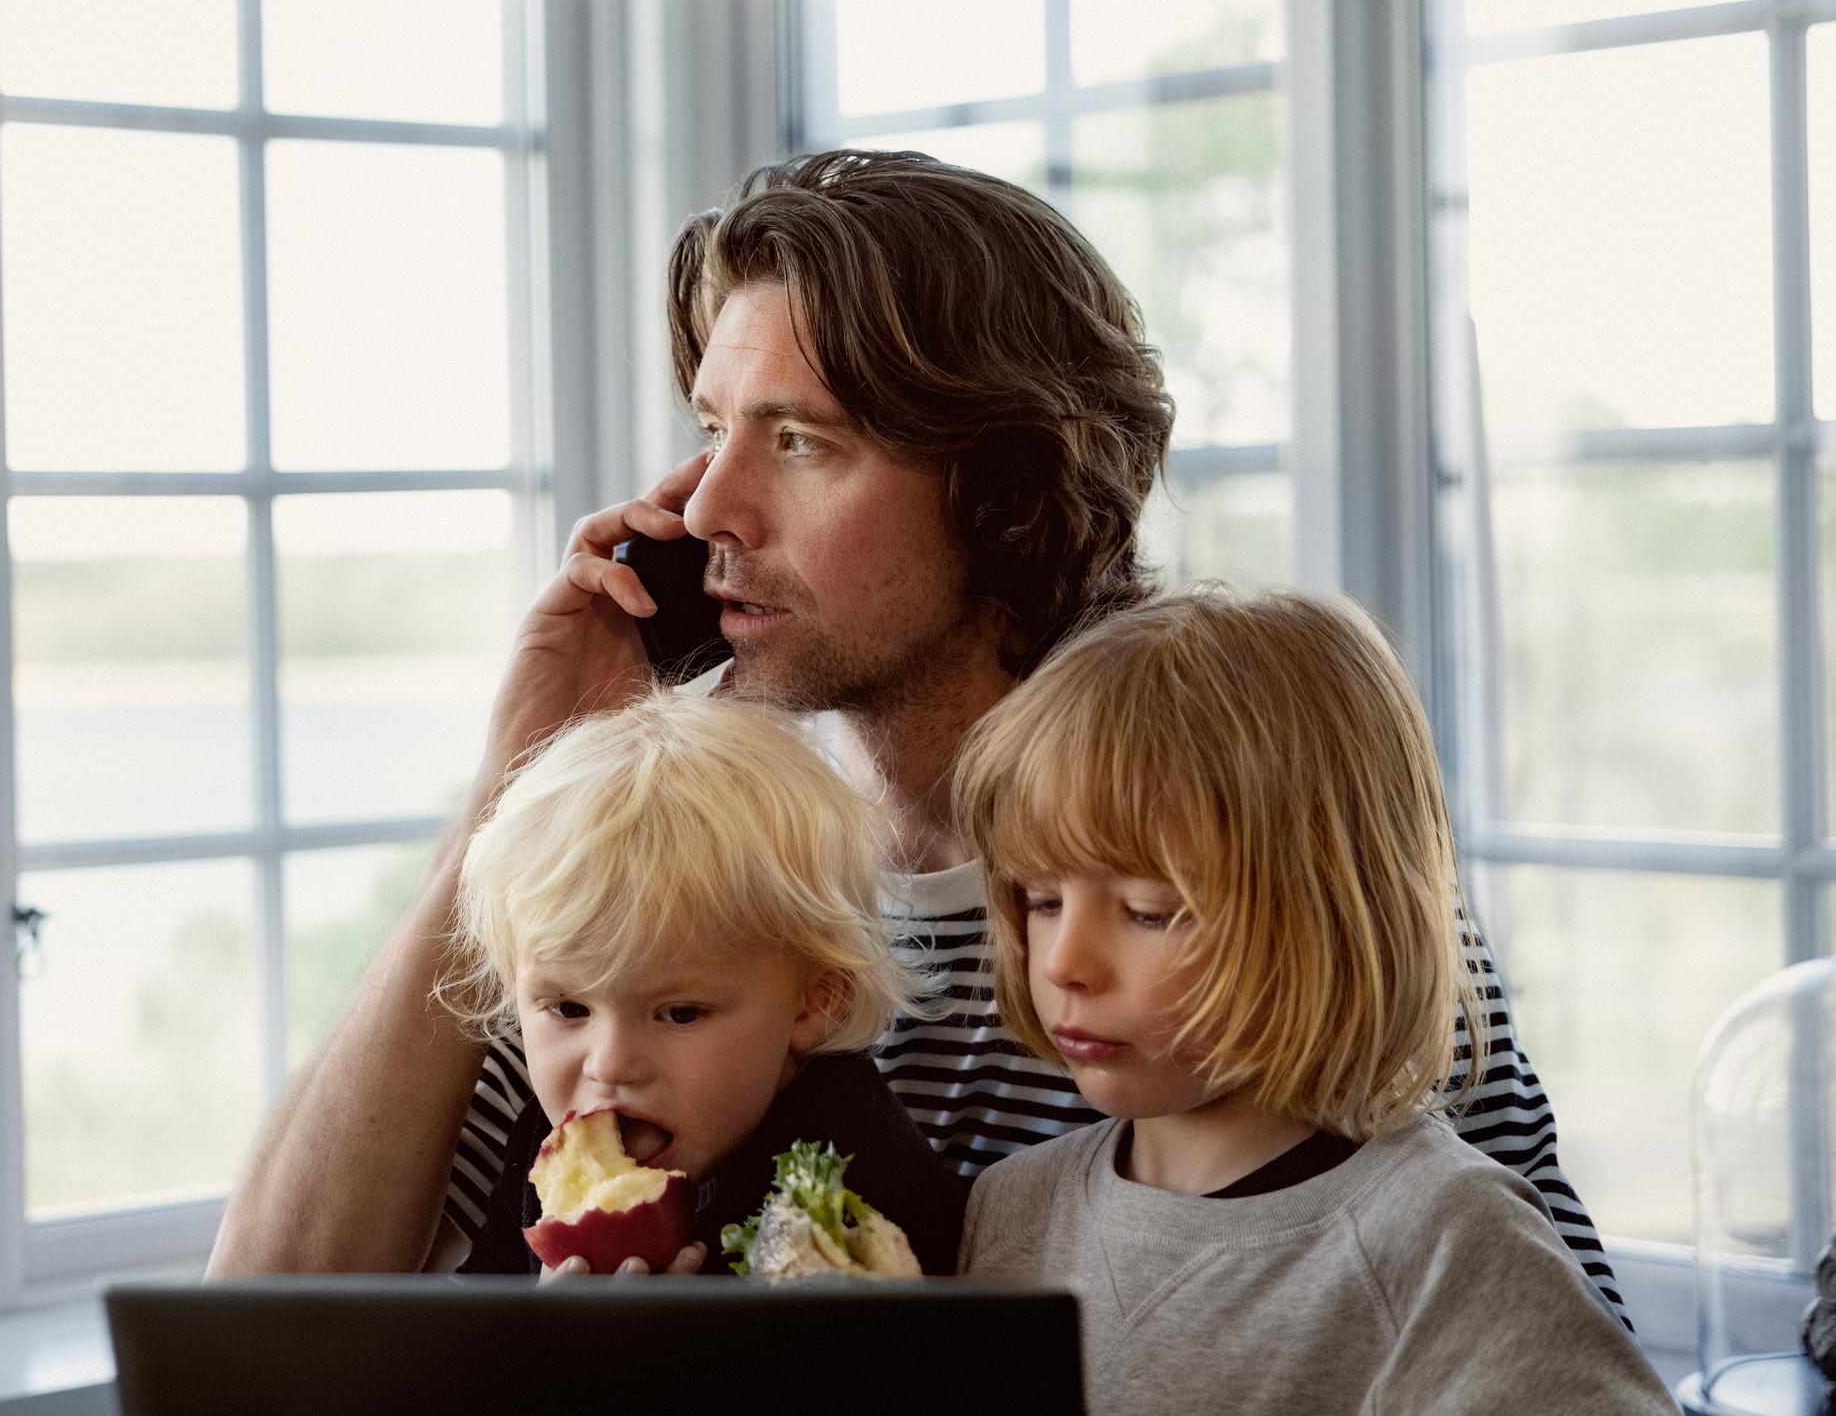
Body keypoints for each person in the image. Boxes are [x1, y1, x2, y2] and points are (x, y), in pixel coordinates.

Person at [208, 149, 1624, 1329]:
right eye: (710, 429)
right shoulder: (693, 870)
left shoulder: (1246, 872)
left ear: (1006, 487)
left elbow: (1531, 1322)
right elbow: (271, 1303)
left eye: (801, 441)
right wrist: (519, 781)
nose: (706, 510)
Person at [952, 589, 1671, 1412]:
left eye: (1150, 911)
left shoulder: (1447, 1241)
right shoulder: (1010, 1211)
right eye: (1042, 901)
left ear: (1327, 910)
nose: (1066, 962)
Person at [437, 689, 967, 1277]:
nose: (610, 1066)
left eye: (680, 1014)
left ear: (816, 1001)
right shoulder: (547, 1149)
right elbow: (477, 1337)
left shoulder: (855, 1187)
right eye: (567, 1008)